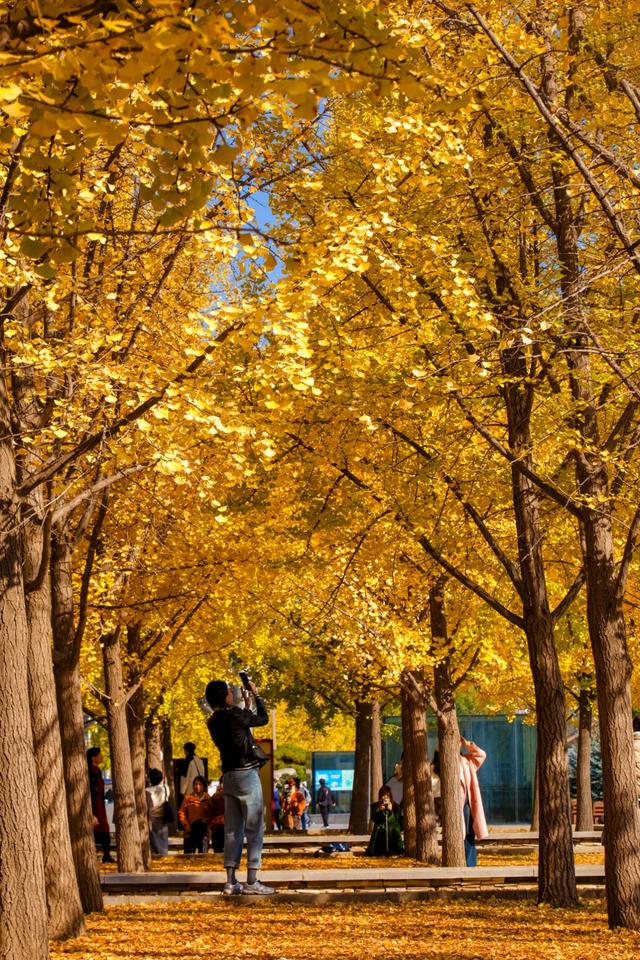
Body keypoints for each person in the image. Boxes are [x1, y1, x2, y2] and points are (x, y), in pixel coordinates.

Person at [205, 677, 274, 896]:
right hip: (247, 774)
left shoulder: (213, 721)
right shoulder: (235, 715)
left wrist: (244, 706)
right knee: (255, 828)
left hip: (229, 776)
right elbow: (262, 719)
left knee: (233, 830)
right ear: (224, 696)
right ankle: (252, 880)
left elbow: (238, 726)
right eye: (228, 691)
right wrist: (256, 694)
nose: (231, 693)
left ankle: (230, 881)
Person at [458, 735, 488, 866]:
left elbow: (481, 755)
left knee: (469, 834)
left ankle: (470, 865)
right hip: (456, 806)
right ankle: (463, 863)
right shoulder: (440, 761)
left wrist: (468, 745)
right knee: (461, 835)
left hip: (468, 804)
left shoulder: (466, 760)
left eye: (459, 742)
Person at [87, 747, 114, 863]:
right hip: (94, 804)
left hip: (100, 804)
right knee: (95, 827)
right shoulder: (90, 771)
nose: (101, 757)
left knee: (104, 828)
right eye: (99, 755)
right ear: (93, 757)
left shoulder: (98, 770)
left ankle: (106, 854)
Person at [366, 784, 404, 856]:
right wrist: (379, 810)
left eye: (387, 796)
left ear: (390, 796)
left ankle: (394, 850)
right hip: (379, 833)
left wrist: (390, 811)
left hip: (392, 832)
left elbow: (396, 820)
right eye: (383, 796)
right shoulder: (375, 806)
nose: (385, 798)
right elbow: (374, 818)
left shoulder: (396, 806)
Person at [178, 775, 212, 854]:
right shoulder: (188, 798)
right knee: (189, 855)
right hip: (190, 830)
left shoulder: (208, 799)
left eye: (200, 784)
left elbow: (211, 814)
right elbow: (181, 812)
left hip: (204, 831)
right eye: (195, 784)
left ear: (204, 786)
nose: (197, 786)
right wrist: (186, 826)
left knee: (203, 854)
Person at [175, 742, 206, 810]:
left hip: (190, 791)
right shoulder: (200, 761)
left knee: (191, 812)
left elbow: (185, 778)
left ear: (185, 750)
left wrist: (182, 792)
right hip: (200, 790)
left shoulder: (187, 761)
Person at [146, 768, 170, 856]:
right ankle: (164, 852)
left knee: (154, 836)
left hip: (153, 816)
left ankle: (156, 853)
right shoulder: (165, 788)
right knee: (163, 836)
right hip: (164, 815)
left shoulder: (148, 791)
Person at [208, 779, 225, 853]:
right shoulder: (215, 797)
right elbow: (210, 813)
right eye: (222, 783)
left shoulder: (233, 798)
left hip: (230, 828)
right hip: (217, 827)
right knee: (218, 851)